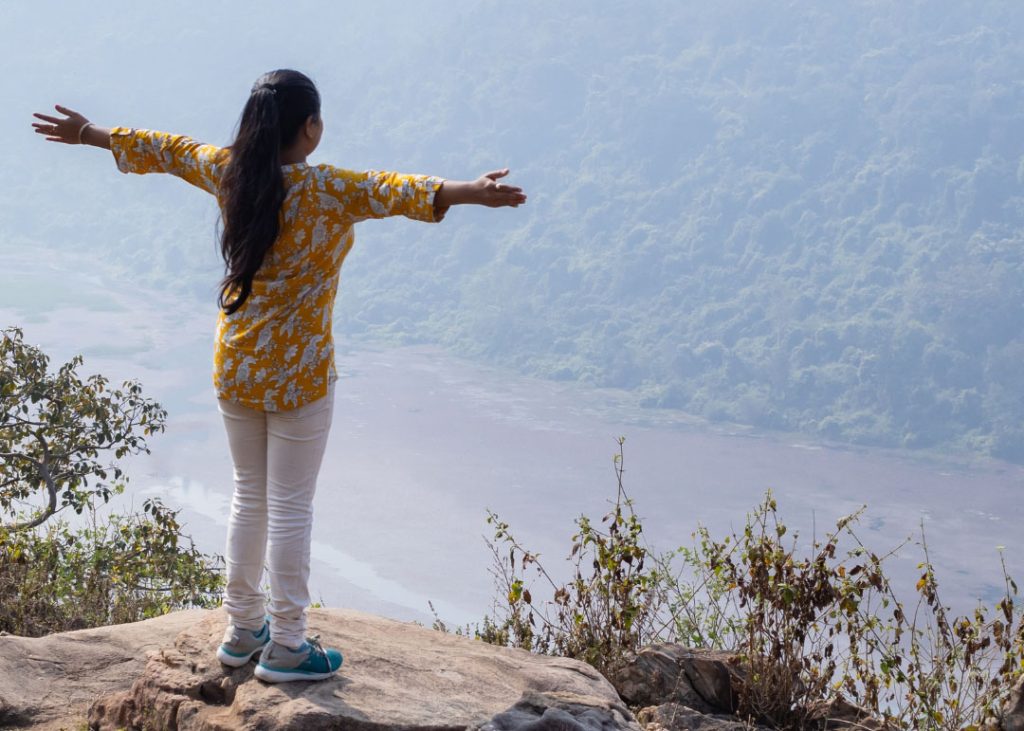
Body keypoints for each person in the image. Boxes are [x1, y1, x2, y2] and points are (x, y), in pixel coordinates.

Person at [32, 68, 526, 683]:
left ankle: (242, 631)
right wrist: (473, 191)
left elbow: (166, 148)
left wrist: (89, 134)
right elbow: (399, 188)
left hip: (236, 363)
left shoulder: (230, 171)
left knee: (247, 495)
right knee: (291, 506)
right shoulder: (329, 189)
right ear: (310, 129)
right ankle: (288, 645)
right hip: (299, 377)